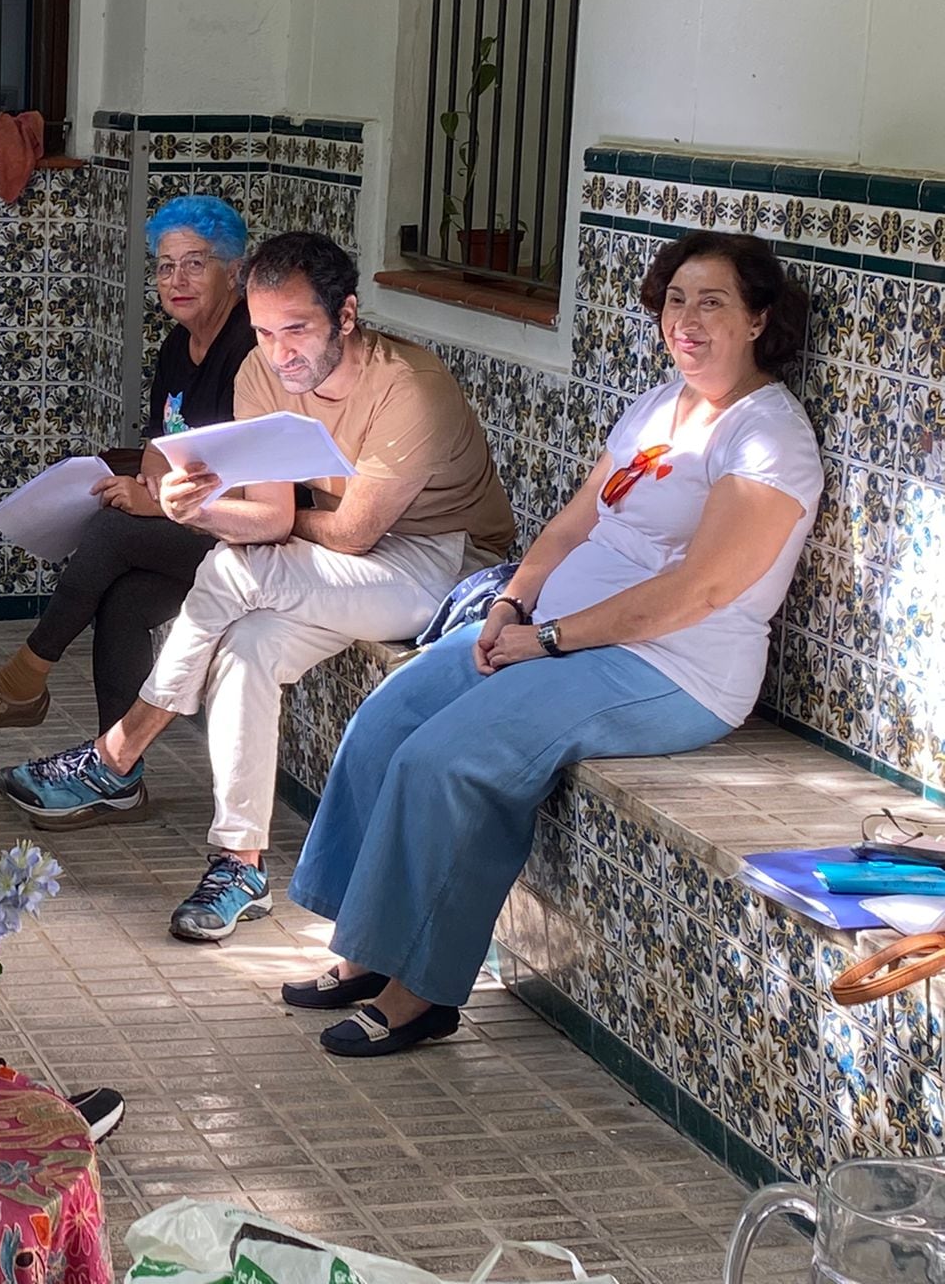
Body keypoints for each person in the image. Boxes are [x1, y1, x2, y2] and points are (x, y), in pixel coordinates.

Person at [282, 230, 820, 1057]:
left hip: (671, 667)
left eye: (713, 303)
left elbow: (699, 591)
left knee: (452, 758)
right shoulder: (661, 406)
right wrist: (512, 601)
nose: (687, 320)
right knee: (390, 716)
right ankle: (366, 949)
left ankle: (420, 991)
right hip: (553, 635)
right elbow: (576, 521)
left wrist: (552, 638)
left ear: (758, 320)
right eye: (676, 300)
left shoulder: (767, 438)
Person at [0, 232, 515, 945]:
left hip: (445, 567)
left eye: (297, 329)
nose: (281, 351)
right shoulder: (261, 372)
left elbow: (354, 533)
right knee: (246, 644)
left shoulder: (409, 388)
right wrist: (193, 507)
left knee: (236, 569)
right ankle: (239, 864)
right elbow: (268, 515)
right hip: (332, 562)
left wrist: (247, 529)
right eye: (267, 331)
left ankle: (116, 755)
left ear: (347, 315)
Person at [0, 194, 256, 735]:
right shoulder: (179, 344)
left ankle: (23, 679)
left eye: (197, 264)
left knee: (113, 531)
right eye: (166, 266)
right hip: (195, 526)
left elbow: (248, 489)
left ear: (235, 273)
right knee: (124, 601)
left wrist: (150, 504)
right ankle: (117, 774)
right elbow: (162, 444)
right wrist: (142, 485)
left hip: (248, 532)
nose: (178, 279)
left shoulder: (247, 351)